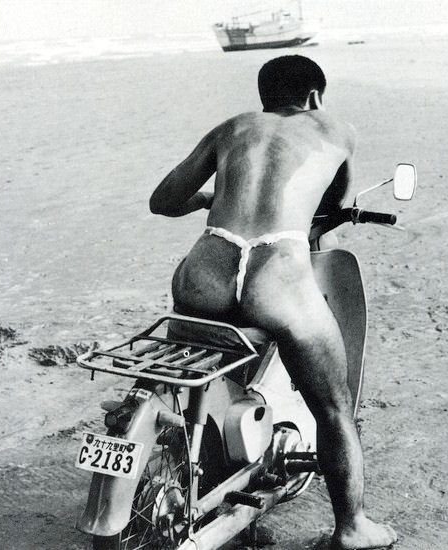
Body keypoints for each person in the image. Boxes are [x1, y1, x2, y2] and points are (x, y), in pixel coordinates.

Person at [149, 55, 397, 550]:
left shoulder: (233, 127)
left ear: (264, 97)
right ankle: (352, 528)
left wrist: (209, 200)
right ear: (314, 97)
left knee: (183, 379)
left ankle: (191, 455)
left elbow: (163, 201)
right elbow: (330, 207)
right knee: (334, 407)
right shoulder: (334, 128)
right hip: (276, 273)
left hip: (207, 268)